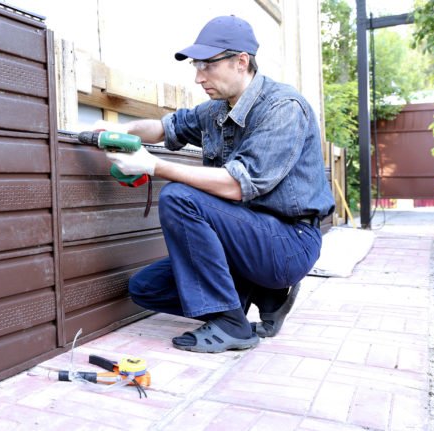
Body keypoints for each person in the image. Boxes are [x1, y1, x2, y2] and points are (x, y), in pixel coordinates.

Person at [96, 15, 335, 353]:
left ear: (241, 62)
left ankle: (231, 323)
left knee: (179, 197)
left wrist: (154, 165)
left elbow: (238, 185)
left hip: (288, 241)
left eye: (207, 65)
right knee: (145, 288)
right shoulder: (216, 111)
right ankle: (260, 293)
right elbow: (166, 128)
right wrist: (126, 131)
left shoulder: (283, 108)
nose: (198, 76)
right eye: (196, 65)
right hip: (244, 239)